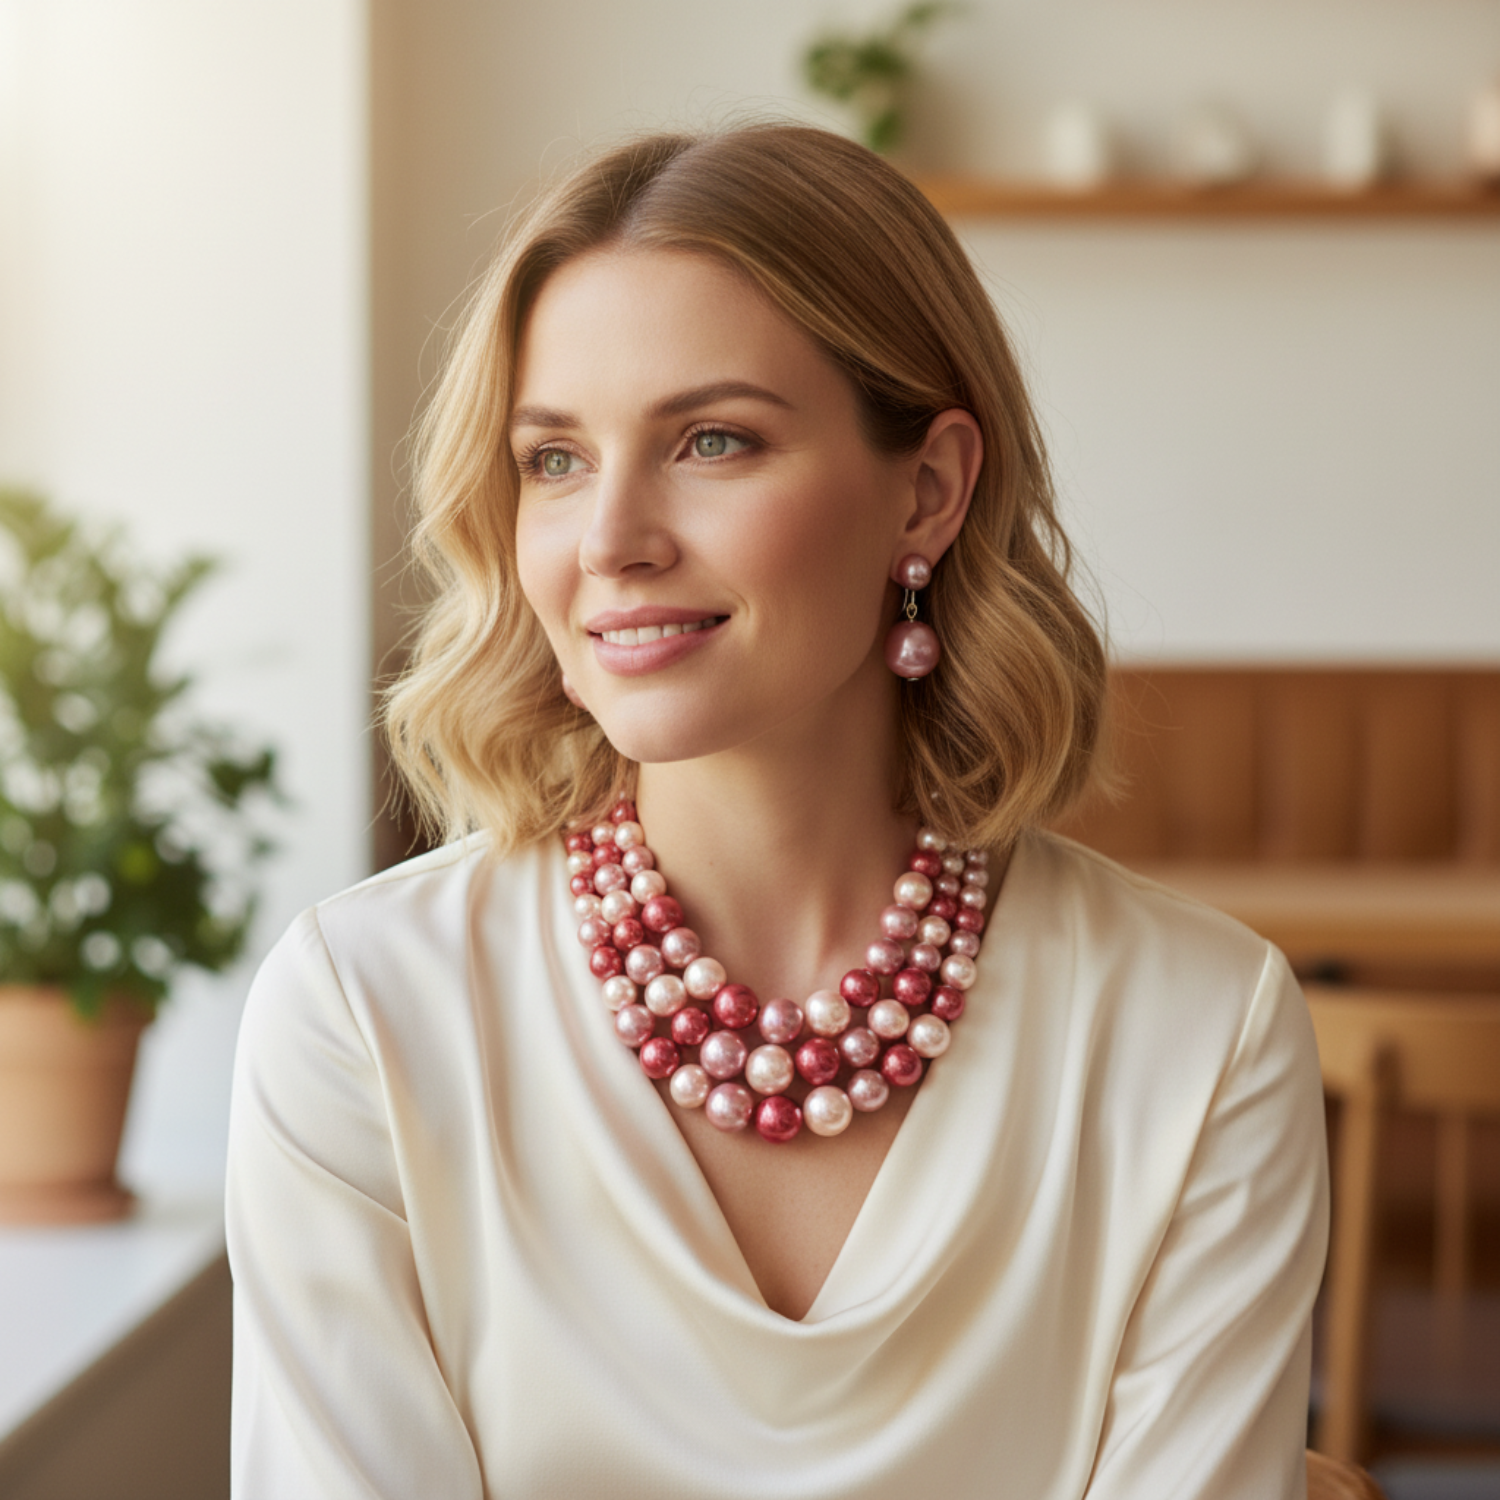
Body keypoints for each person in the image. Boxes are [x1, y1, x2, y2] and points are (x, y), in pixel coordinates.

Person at [226, 124, 1328, 1499]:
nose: (612, 536)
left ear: (926, 492)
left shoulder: (1199, 1033)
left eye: (711, 440)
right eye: (554, 460)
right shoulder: (364, 1014)